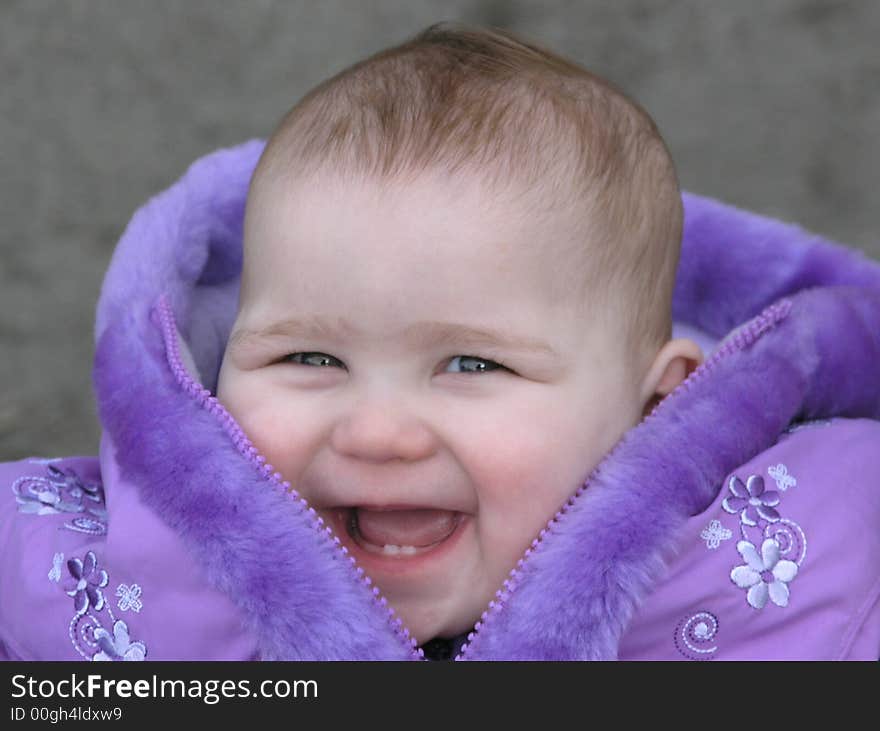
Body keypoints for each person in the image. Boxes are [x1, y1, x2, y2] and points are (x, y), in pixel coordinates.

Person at [1, 23, 878, 662]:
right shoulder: (91, 578)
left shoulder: (812, 566)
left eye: (471, 363)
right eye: (308, 357)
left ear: (662, 405)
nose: (377, 432)